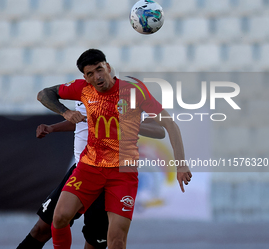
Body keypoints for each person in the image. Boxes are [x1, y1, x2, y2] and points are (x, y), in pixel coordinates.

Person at [37, 49, 192, 249]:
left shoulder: (133, 91)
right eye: (90, 74)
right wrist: (65, 112)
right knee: (59, 218)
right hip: (89, 168)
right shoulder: (82, 88)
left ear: (108, 67)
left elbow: (169, 125)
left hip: (122, 174)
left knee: (116, 240)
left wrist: (180, 165)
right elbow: (44, 94)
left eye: (99, 69)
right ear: (85, 77)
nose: (97, 77)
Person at [17, 99, 166, 249]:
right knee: (41, 229)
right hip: (82, 170)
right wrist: (53, 127)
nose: (95, 77)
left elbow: (159, 130)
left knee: (94, 244)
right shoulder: (85, 91)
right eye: (88, 74)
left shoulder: (127, 93)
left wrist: (126, 124)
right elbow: (49, 98)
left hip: (111, 176)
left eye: (97, 73)